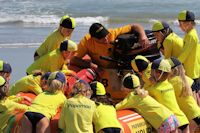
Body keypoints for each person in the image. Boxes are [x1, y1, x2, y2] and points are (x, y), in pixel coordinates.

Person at [70, 22, 149, 70]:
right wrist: (92, 66)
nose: (106, 39)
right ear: (93, 38)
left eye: (106, 35)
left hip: (118, 66)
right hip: (101, 69)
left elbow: (134, 26)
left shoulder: (112, 33)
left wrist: (143, 36)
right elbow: (74, 60)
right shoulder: (86, 42)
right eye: (102, 38)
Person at [146, 58, 190, 133]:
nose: (150, 75)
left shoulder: (154, 89)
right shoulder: (169, 84)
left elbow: (142, 95)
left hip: (173, 123)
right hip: (183, 119)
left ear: (158, 74)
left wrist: (148, 83)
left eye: (151, 72)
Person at [167, 57, 200, 129]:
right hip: (196, 113)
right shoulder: (188, 79)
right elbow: (195, 99)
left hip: (189, 116)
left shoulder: (170, 83)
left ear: (171, 70)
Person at [177, 10, 200, 80]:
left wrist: (174, 64)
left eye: (181, 24)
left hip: (192, 72)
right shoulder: (190, 33)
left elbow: (184, 54)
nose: (179, 26)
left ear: (189, 23)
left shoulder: (191, 36)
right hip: (192, 68)